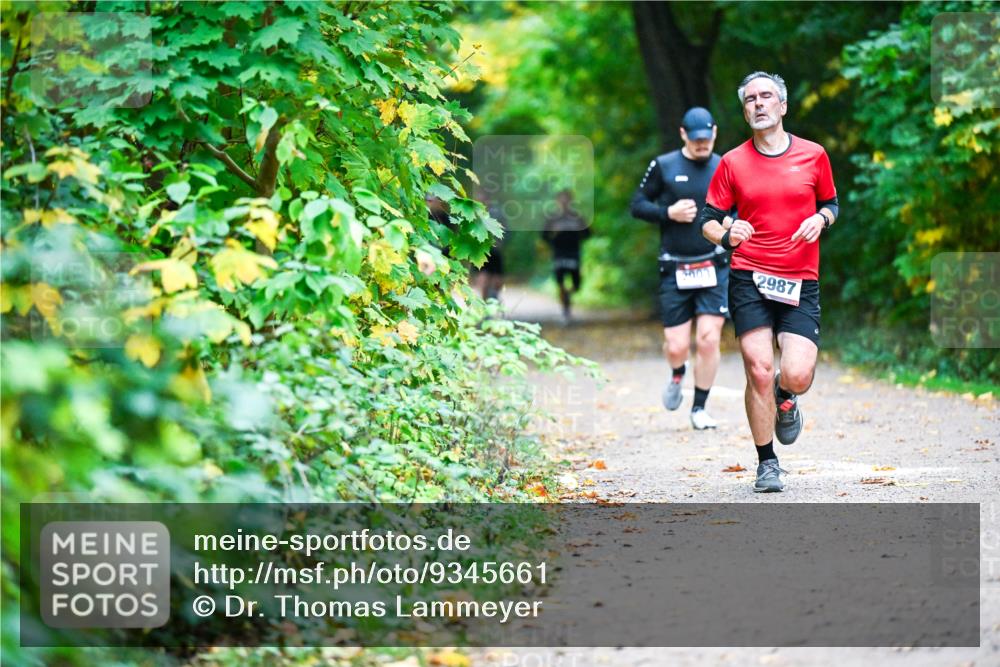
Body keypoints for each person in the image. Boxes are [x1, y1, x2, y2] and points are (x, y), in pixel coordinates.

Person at [698, 71, 839, 493]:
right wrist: (726, 235)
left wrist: (820, 218)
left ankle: (787, 395)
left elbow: (831, 203)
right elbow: (707, 220)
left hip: (800, 278)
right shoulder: (732, 162)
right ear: (745, 112)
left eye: (766, 97)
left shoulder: (814, 155)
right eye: (750, 100)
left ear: (782, 106)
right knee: (758, 369)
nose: (758, 104)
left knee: (795, 372)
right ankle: (767, 462)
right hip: (749, 276)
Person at [630, 106, 729, 431]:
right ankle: (677, 372)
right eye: (696, 139)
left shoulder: (725, 166)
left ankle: (699, 408)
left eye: (707, 139)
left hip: (713, 266)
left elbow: (742, 208)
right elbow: (638, 204)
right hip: (675, 267)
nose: (703, 145)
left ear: (715, 133)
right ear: (684, 135)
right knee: (676, 346)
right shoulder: (665, 165)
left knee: (708, 339)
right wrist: (667, 212)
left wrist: (733, 222)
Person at [542, 189, 590, 324]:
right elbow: (544, 236)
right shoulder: (552, 218)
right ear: (557, 201)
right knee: (560, 282)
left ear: (571, 201)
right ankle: (565, 310)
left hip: (573, 253)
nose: (564, 202)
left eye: (566, 199)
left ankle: (568, 296)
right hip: (558, 253)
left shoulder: (577, 217)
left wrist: (577, 235)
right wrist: (553, 237)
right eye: (561, 199)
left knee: (577, 283)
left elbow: (587, 234)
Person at [473, 189, 506, 302]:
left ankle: (494, 297)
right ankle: (486, 305)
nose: (481, 202)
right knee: (483, 280)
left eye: (483, 199)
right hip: (480, 252)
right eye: (478, 200)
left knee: (497, 281)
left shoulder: (497, 214)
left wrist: (501, 242)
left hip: (495, 251)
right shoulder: (473, 214)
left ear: (488, 200)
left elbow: (506, 230)